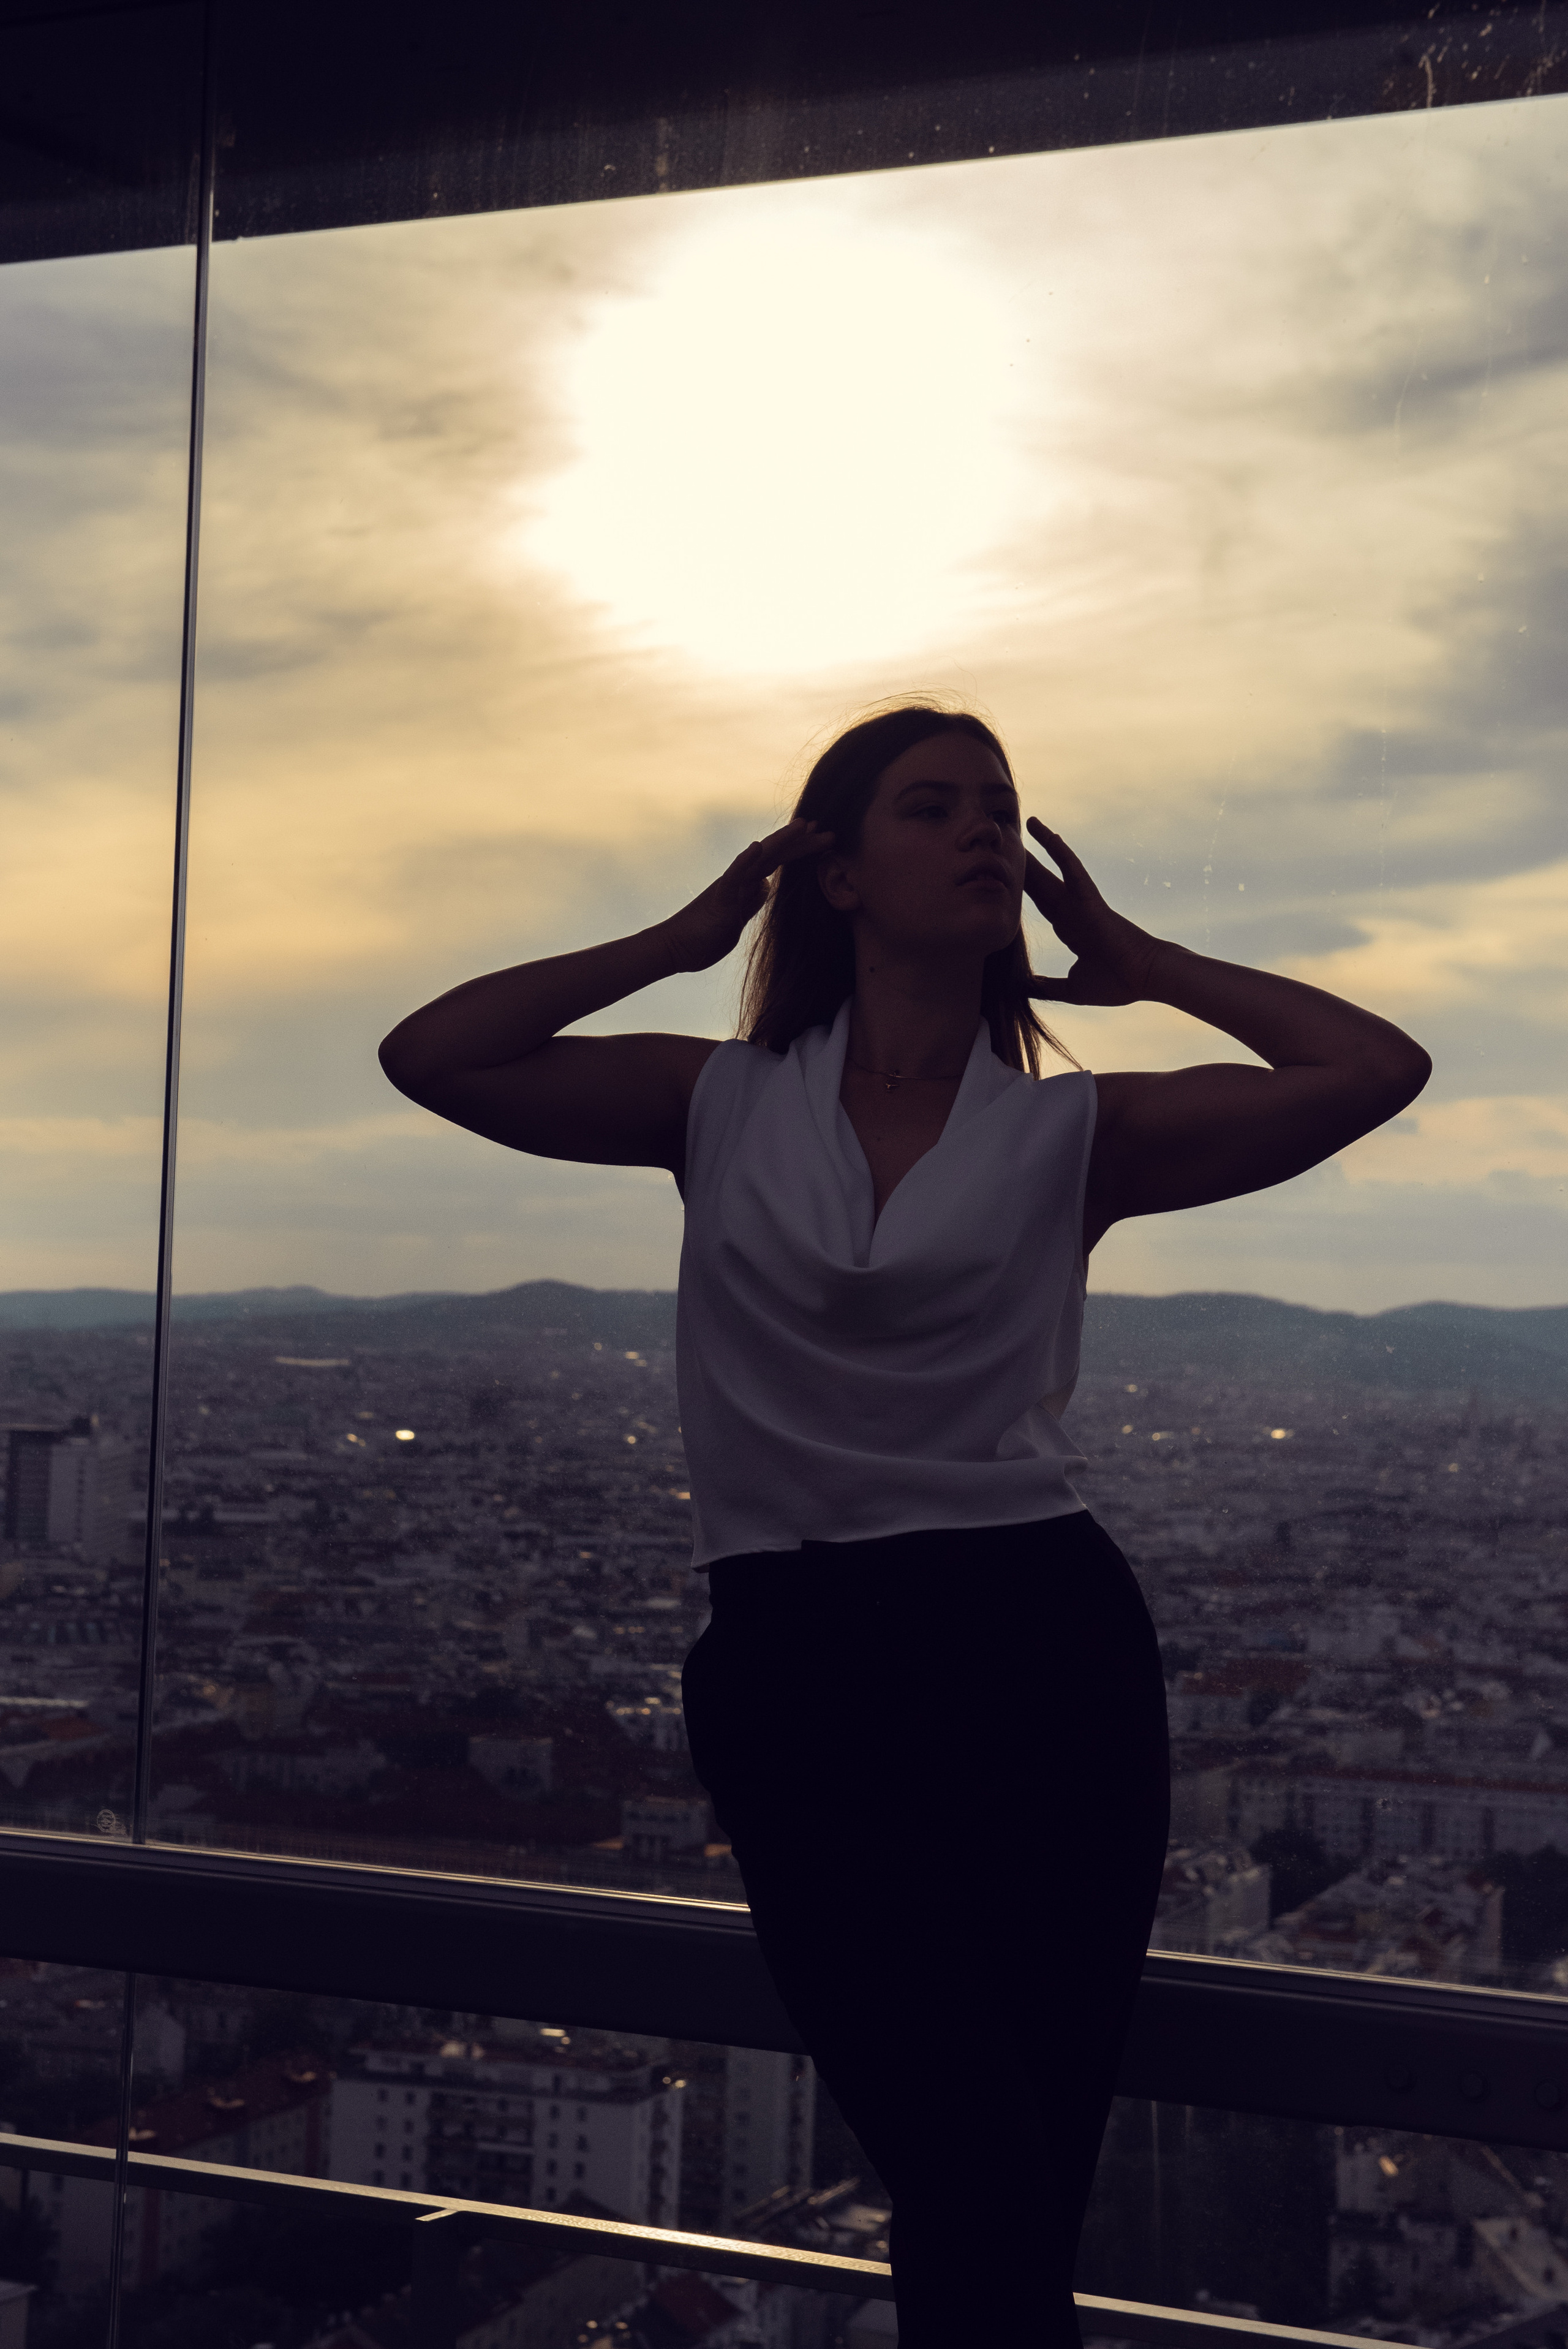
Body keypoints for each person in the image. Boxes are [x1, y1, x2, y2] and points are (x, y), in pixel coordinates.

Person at [379, 701, 1430, 2345]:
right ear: (838, 871)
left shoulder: (1072, 1130)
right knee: (966, 2149)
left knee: (1012, 2177)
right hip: (801, 1661)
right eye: (933, 806)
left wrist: (1143, 959)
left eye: (999, 807)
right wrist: (685, 937)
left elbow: (1376, 1070)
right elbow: (432, 1054)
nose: (984, 831)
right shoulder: (718, 1101)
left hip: (1043, 1645)